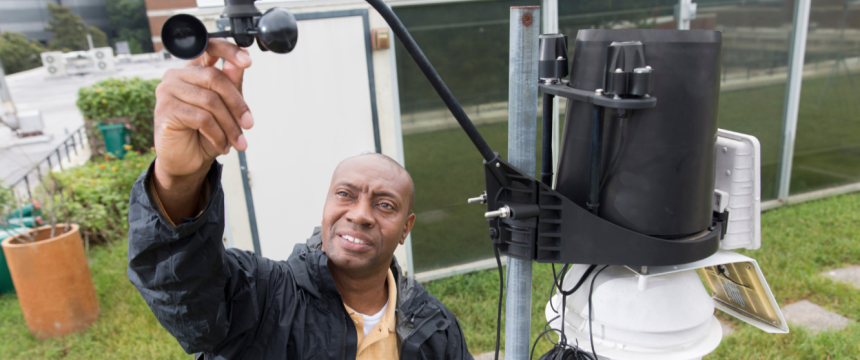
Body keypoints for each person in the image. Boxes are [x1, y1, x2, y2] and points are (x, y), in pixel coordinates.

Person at [126, 39, 473, 360]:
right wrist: (178, 178)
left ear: (405, 228)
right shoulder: (262, 298)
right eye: (345, 194)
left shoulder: (435, 328)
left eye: (385, 205)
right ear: (325, 206)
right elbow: (185, 288)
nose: (360, 214)